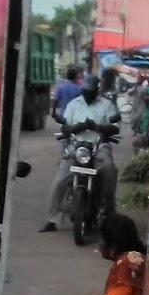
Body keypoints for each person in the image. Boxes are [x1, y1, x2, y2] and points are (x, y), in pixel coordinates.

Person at [40, 73, 119, 231]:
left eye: (91, 91)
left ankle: (107, 212)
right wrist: (80, 127)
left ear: (97, 90)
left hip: (99, 146)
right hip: (76, 147)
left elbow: (115, 127)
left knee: (110, 170)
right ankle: (53, 219)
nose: (88, 94)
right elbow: (65, 127)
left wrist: (98, 127)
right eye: (86, 90)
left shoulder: (107, 105)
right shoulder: (73, 104)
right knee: (59, 181)